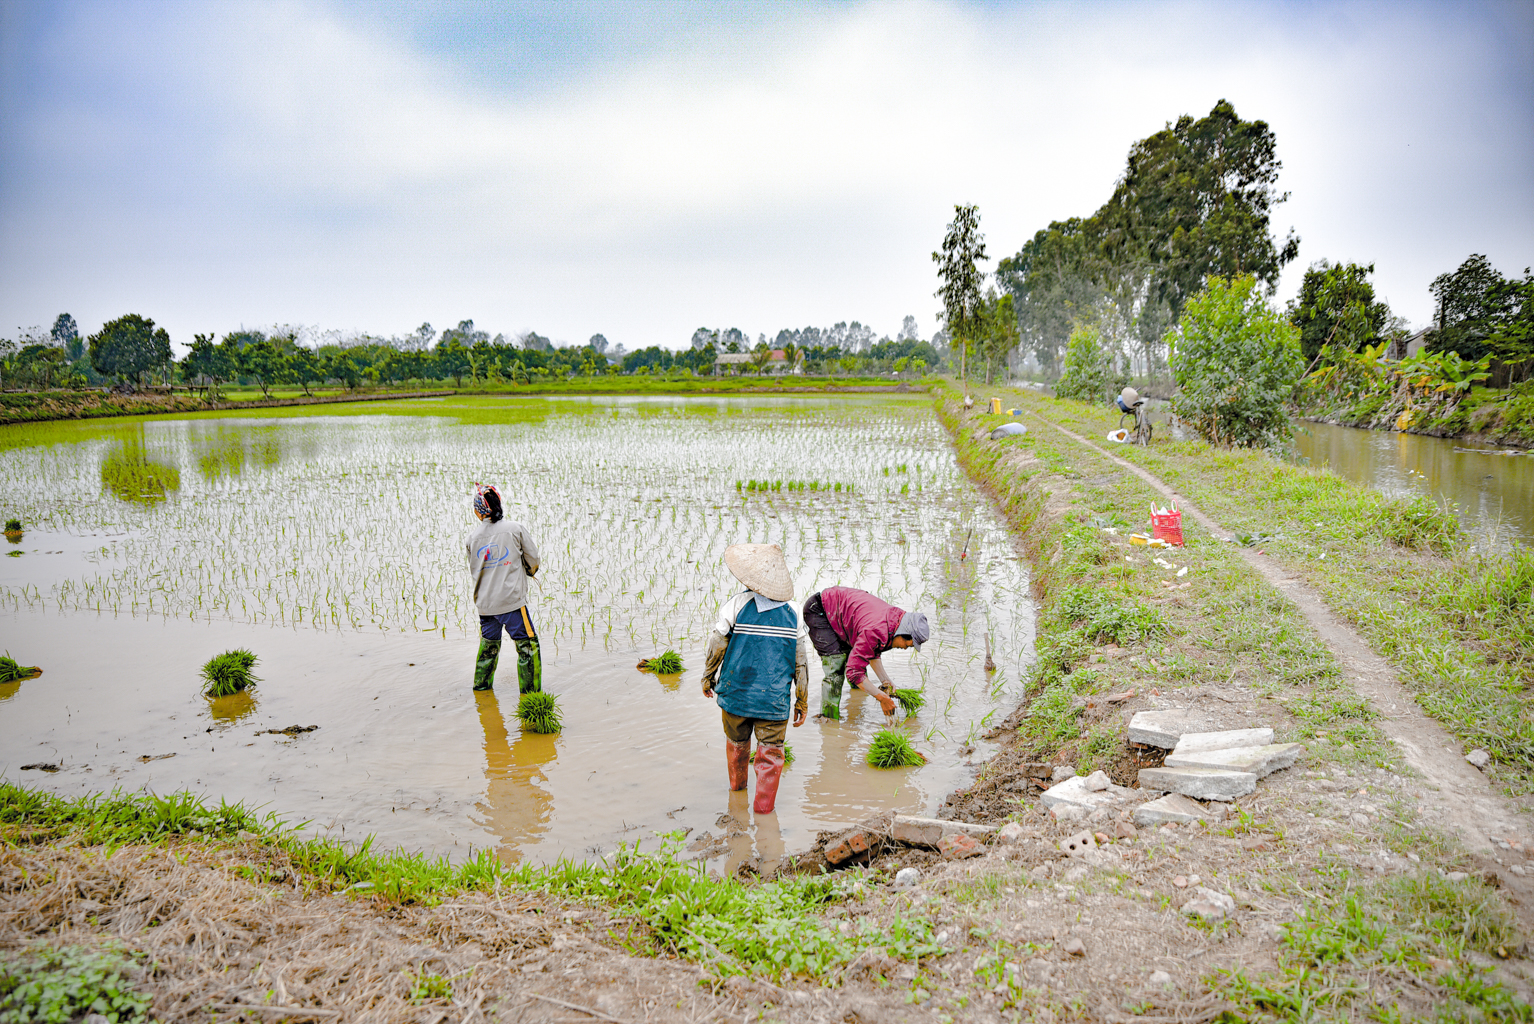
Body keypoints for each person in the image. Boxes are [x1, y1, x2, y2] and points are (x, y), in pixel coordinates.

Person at [699, 543, 808, 814]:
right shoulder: (793, 613)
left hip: (736, 695)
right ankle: (763, 814)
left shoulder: (736, 604)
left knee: (737, 746)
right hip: (773, 702)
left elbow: (717, 645)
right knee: (771, 756)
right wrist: (801, 701)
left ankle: (737, 797)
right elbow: (801, 663)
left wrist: (707, 676)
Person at [802, 586, 929, 721]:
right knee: (837, 663)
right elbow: (854, 672)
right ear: (903, 634)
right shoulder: (876, 629)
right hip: (820, 610)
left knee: (856, 659)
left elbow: (872, 649)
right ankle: (828, 718)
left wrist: (885, 680)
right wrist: (881, 698)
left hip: (843, 616)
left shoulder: (894, 622)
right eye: (908, 645)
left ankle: (857, 695)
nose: (905, 648)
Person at [466, 484, 542, 693]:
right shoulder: (514, 528)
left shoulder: (472, 538)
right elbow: (533, 559)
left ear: (477, 510)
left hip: (486, 605)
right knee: (528, 646)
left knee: (488, 648)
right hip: (512, 603)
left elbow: (476, 570)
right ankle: (531, 696)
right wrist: (529, 572)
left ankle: (481, 691)